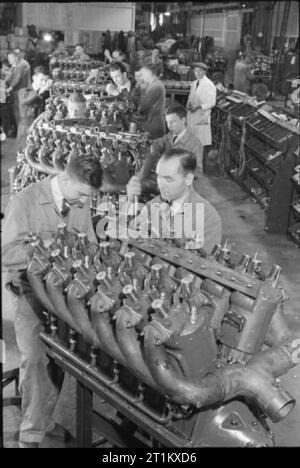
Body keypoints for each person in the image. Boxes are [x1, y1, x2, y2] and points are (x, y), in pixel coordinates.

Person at [2, 153, 103, 448]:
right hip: (31, 294)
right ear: (67, 178)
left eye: (88, 197)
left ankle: (48, 418)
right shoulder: (26, 201)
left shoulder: (80, 200)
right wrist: (43, 252)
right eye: (81, 194)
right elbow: (6, 253)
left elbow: (90, 245)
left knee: (63, 359)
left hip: (65, 295)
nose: (82, 202)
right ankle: (30, 435)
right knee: (35, 359)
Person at [123, 148, 222, 254]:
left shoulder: (208, 218)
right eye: (159, 177)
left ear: (188, 179)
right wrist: (131, 202)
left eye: (168, 179)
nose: (161, 184)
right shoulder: (155, 204)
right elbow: (131, 234)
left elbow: (200, 265)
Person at [130, 103, 204, 197]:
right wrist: (144, 141)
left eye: (173, 121)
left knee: (141, 187)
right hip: (166, 180)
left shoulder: (195, 144)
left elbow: (197, 172)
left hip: (181, 188)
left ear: (183, 120)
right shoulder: (170, 136)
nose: (169, 125)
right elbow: (157, 143)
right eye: (167, 122)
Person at [186, 62, 216, 173]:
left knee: (199, 145)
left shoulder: (209, 85)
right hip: (192, 116)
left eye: (199, 71)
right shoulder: (194, 83)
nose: (197, 73)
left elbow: (212, 102)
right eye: (195, 71)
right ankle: (191, 168)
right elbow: (191, 97)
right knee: (191, 144)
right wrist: (189, 104)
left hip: (201, 118)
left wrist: (198, 106)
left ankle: (198, 170)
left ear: (204, 72)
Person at [17, 66, 52, 151]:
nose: (44, 83)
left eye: (46, 81)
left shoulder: (45, 94)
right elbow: (26, 100)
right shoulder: (23, 91)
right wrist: (42, 90)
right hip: (26, 129)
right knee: (25, 156)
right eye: (42, 80)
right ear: (34, 77)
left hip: (40, 130)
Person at [6, 49, 31, 135]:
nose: (9, 60)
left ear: (16, 57)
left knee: (19, 112)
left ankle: (21, 133)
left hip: (21, 91)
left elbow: (17, 78)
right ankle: (19, 131)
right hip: (21, 91)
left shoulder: (21, 65)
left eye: (10, 58)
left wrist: (10, 88)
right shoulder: (19, 64)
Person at [138, 64, 166, 139]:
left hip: (153, 125)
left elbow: (142, 105)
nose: (142, 76)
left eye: (143, 74)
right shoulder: (152, 85)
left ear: (149, 73)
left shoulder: (155, 86)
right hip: (151, 122)